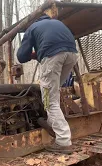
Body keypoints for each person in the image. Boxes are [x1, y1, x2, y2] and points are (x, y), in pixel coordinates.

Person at [17, 14, 78, 154]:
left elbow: (21, 56)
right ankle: (52, 124)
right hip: (72, 55)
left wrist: (34, 54)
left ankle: (63, 141)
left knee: (49, 100)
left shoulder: (32, 28)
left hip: (53, 56)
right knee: (53, 93)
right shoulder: (56, 23)